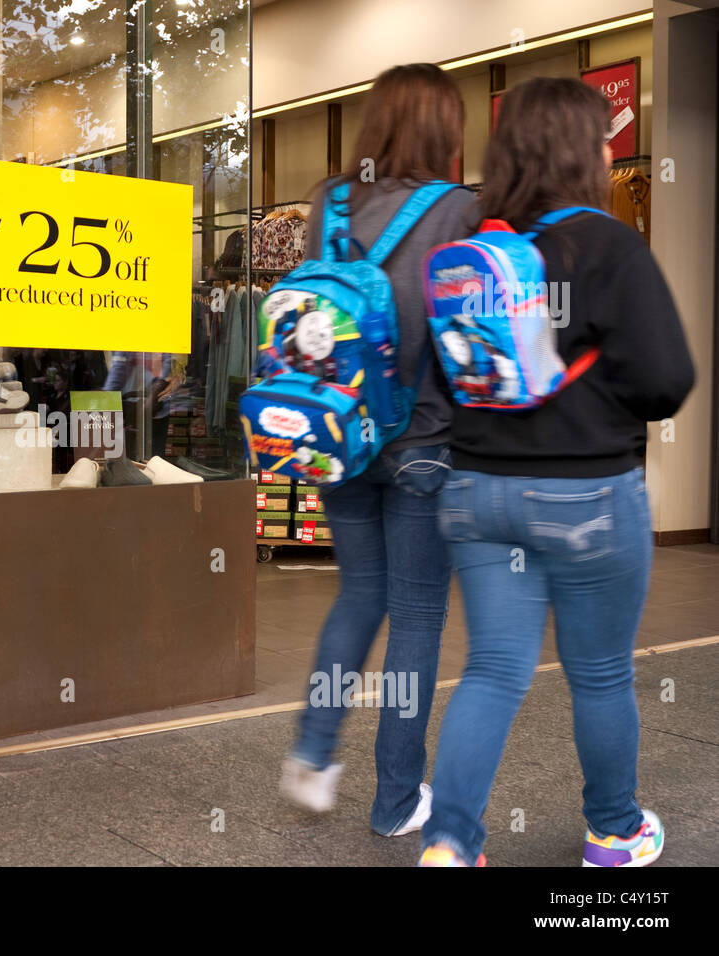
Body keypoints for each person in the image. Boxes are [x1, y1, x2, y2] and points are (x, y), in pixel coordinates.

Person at [419, 77, 694, 867]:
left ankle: (449, 844)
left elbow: (442, 380)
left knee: (494, 670)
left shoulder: (471, 248)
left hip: (473, 494)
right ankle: (613, 832)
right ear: (586, 151)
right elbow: (666, 380)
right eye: (605, 141)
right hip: (588, 497)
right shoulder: (611, 246)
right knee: (602, 675)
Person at [279, 63, 476, 837]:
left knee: (359, 596)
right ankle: (397, 801)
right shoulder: (460, 210)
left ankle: (312, 753)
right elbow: (466, 336)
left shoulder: (330, 201)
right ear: (443, 129)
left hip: (338, 436)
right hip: (425, 441)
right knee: (418, 617)